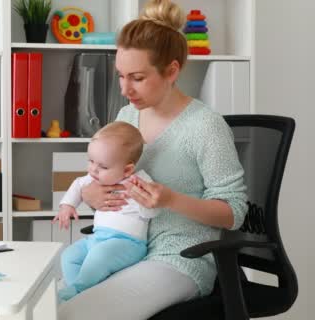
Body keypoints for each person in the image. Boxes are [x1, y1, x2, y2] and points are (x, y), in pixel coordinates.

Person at [58, 0, 248, 319]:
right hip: (125, 251)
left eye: (137, 77)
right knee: (42, 302)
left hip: (180, 257)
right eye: (121, 76)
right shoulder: (126, 116)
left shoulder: (205, 126)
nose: (125, 89)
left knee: (74, 315)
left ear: (172, 70)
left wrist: (171, 199)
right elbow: (105, 175)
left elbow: (234, 213)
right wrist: (91, 195)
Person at [53, 121, 159, 302]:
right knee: (69, 256)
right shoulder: (96, 177)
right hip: (97, 238)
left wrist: (144, 201)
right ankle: (77, 290)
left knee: (98, 257)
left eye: (102, 166)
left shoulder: (140, 182)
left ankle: (77, 289)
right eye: (91, 161)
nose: (93, 169)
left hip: (127, 243)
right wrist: (67, 206)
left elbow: (153, 210)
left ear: (127, 169)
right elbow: (79, 183)